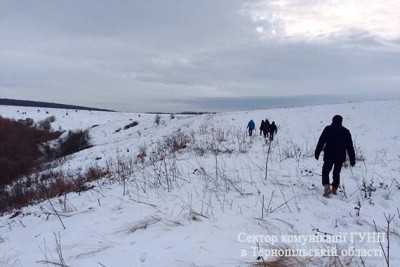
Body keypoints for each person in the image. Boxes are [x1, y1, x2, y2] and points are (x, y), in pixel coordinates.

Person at [314, 115, 356, 196]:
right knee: (336, 173)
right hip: (340, 156)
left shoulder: (328, 129)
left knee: (325, 171)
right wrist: (352, 159)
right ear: (341, 121)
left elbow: (321, 141)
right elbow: (350, 147)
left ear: (333, 120)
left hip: (329, 154)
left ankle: (326, 187)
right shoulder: (346, 131)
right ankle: (334, 189)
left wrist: (317, 152)